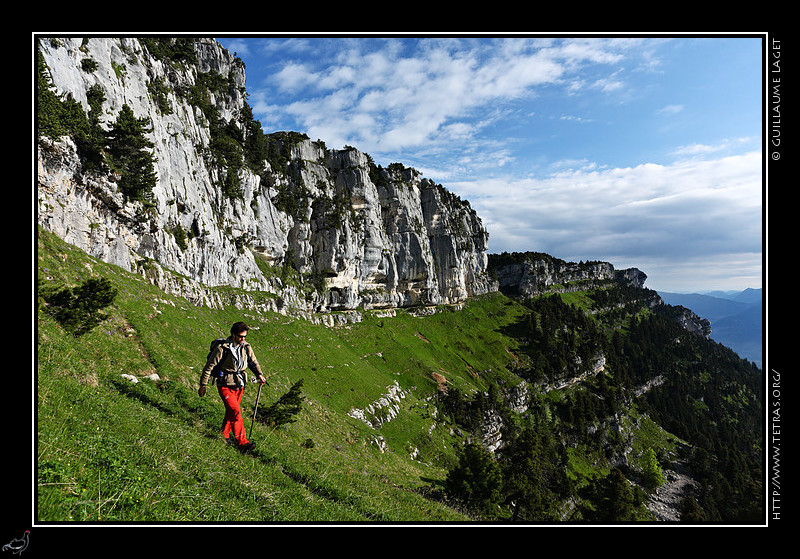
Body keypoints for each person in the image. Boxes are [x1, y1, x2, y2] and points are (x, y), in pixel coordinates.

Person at [198, 321, 267, 452]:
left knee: (231, 412)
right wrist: (203, 384)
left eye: (244, 336)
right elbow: (209, 367)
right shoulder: (222, 349)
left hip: (240, 384)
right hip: (225, 384)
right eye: (240, 336)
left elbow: (253, 362)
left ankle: (224, 435)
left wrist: (259, 375)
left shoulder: (246, 347)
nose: (243, 339)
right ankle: (242, 443)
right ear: (233, 334)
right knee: (235, 412)